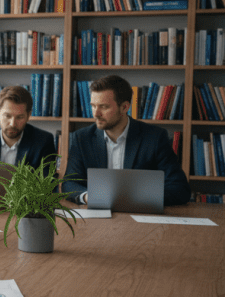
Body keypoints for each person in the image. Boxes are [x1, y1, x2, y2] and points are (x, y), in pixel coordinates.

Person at [63, 74, 190, 205]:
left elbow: (179, 189)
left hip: (141, 216)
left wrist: (133, 198)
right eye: (93, 106)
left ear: (124, 107)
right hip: (96, 217)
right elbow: (69, 184)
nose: (96, 113)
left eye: (104, 107)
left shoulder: (155, 137)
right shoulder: (82, 138)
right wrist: (89, 197)